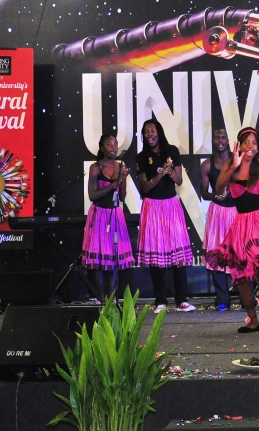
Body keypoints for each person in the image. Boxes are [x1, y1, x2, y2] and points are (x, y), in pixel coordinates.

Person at [206, 128, 259, 332]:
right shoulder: (230, 166)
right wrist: (233, 166)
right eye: (246, 142)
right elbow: (218, 189)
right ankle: (253, 320)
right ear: (238, 145)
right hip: (241, 222)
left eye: (254, 143)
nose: (251, 146)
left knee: (258, 250)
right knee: (240, 272)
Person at [135, 119, 196, 314]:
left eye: (152, 130)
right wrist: (159, 175)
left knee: (177, 254)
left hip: (171, 205)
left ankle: (181, 300)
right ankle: (160, 301)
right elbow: (144, 187)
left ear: (159, 132)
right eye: (146, 132)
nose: (150, 134)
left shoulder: (172, 151)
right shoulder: (141, 157)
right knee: (156, 254)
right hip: (152, 206)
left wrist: (170, 172)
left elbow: (179, 179)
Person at [81, 134, 134, 301]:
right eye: (109, 145)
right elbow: (93, 195)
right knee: (99, 262)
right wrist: (114, 183)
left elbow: (123, 197)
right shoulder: (96, 167)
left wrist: (123, 181)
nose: (114, 147)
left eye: (115, 144)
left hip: (115, 214)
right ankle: (101, 299)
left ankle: (111, 300)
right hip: (99, 214)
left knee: (113, 260)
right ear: (102, 148)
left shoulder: (121, 166)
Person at [200, 129, 235, 311]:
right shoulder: (207, 165)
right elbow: (204, 193)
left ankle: (247, 297)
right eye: (217, 137)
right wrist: (216, 195)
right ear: (212, 141)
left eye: (223, 137)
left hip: (237, 212)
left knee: (240, 253)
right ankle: (222, 298)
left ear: (228, 141)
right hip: (217, 212)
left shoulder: (237, 162)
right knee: (215, 254)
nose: (220, 140)